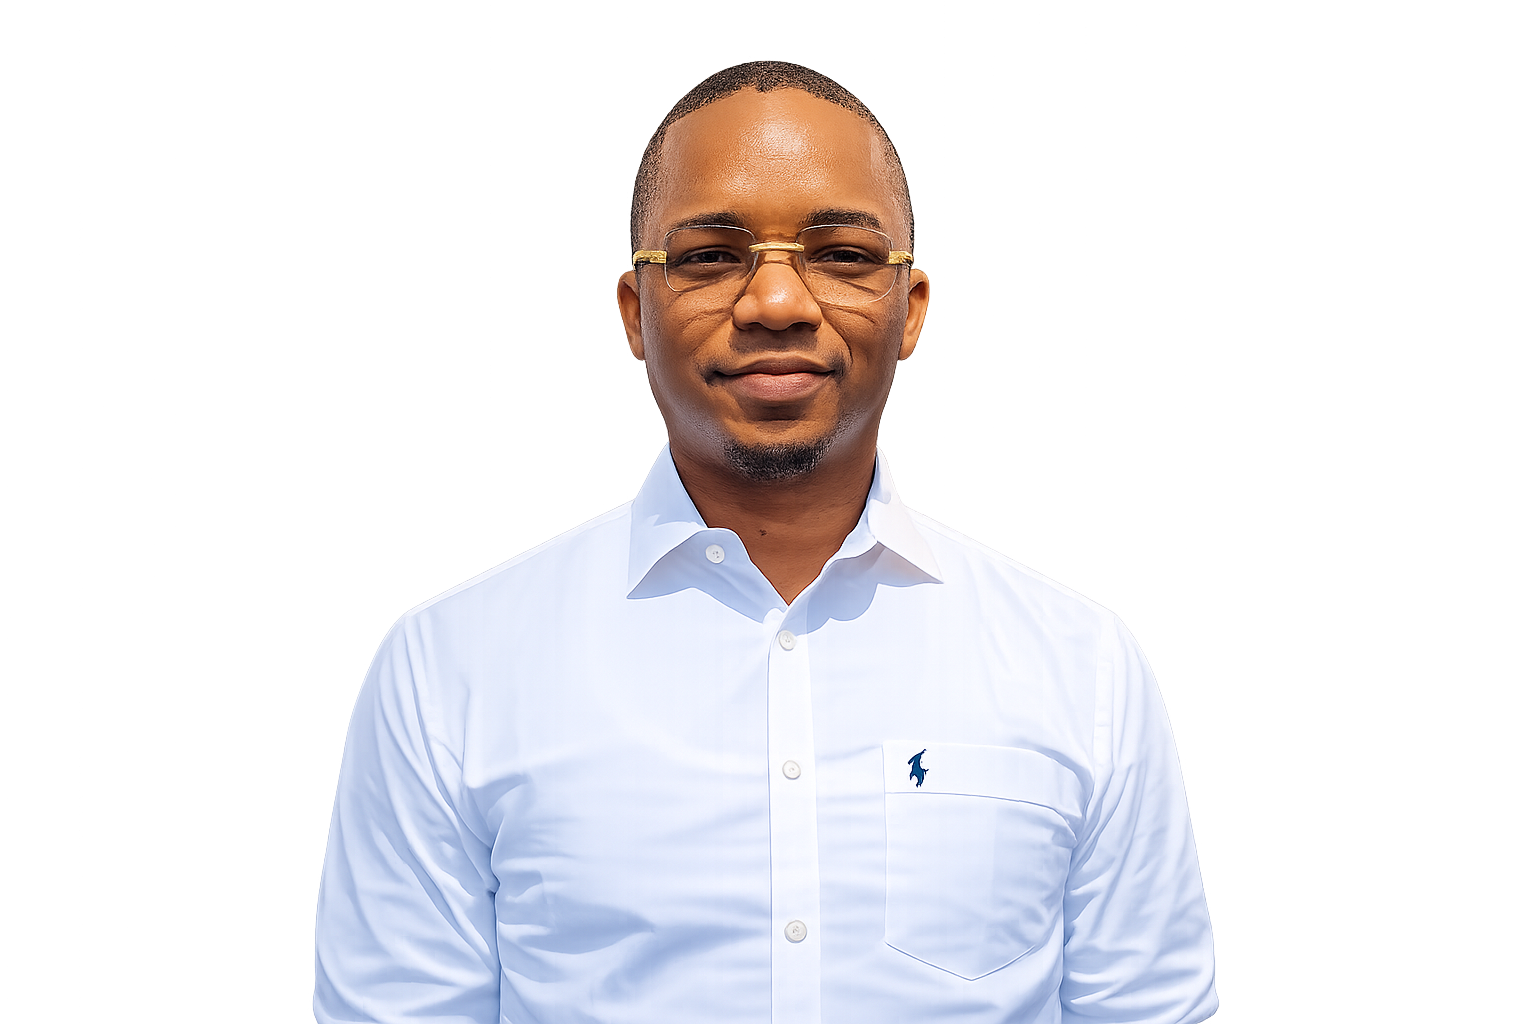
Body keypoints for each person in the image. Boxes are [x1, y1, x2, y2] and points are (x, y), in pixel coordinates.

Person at [314, 61, 1217, 1024]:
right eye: (709, 256)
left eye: (842, 253)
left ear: (910, 309)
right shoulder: (451, 670)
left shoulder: (1081, 671)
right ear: (634, 313)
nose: (777, 302)